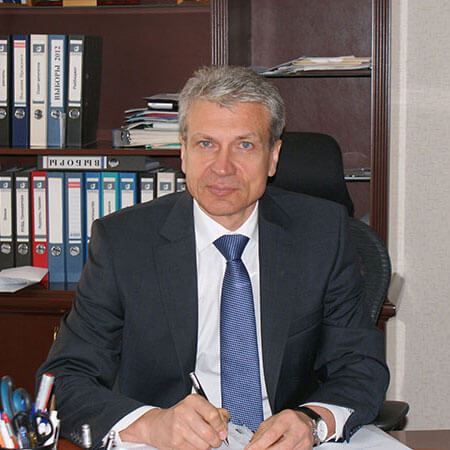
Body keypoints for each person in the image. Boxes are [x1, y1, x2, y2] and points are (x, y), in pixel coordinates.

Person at [38, 66, 389, 450]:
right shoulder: (123, 243)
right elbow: (64, 379)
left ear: (273, 157)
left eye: (244, 145)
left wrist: (312, 421)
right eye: (206, 144)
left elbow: (360, 366)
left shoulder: (321, 234)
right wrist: (152, 425)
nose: (223, 168)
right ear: (183, 152)